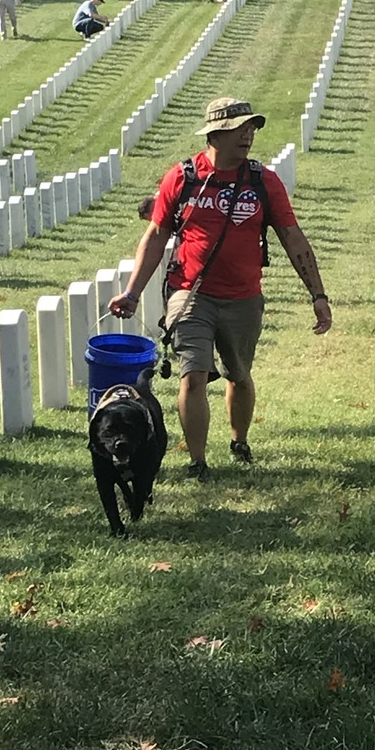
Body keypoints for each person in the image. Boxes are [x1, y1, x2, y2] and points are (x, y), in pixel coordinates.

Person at [109, 97, 332, 481]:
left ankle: (238, 439)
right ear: (215, 133)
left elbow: (293, 238)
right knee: (192, 374)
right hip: (190, 293)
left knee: (239, 375)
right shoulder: (183, 177)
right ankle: (198, 461)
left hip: (243, 296)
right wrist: (132, 292)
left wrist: (318, 295)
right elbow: (157, 235)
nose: (248, 135)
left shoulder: (264, 182)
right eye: (238, 129)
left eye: (251, 128)